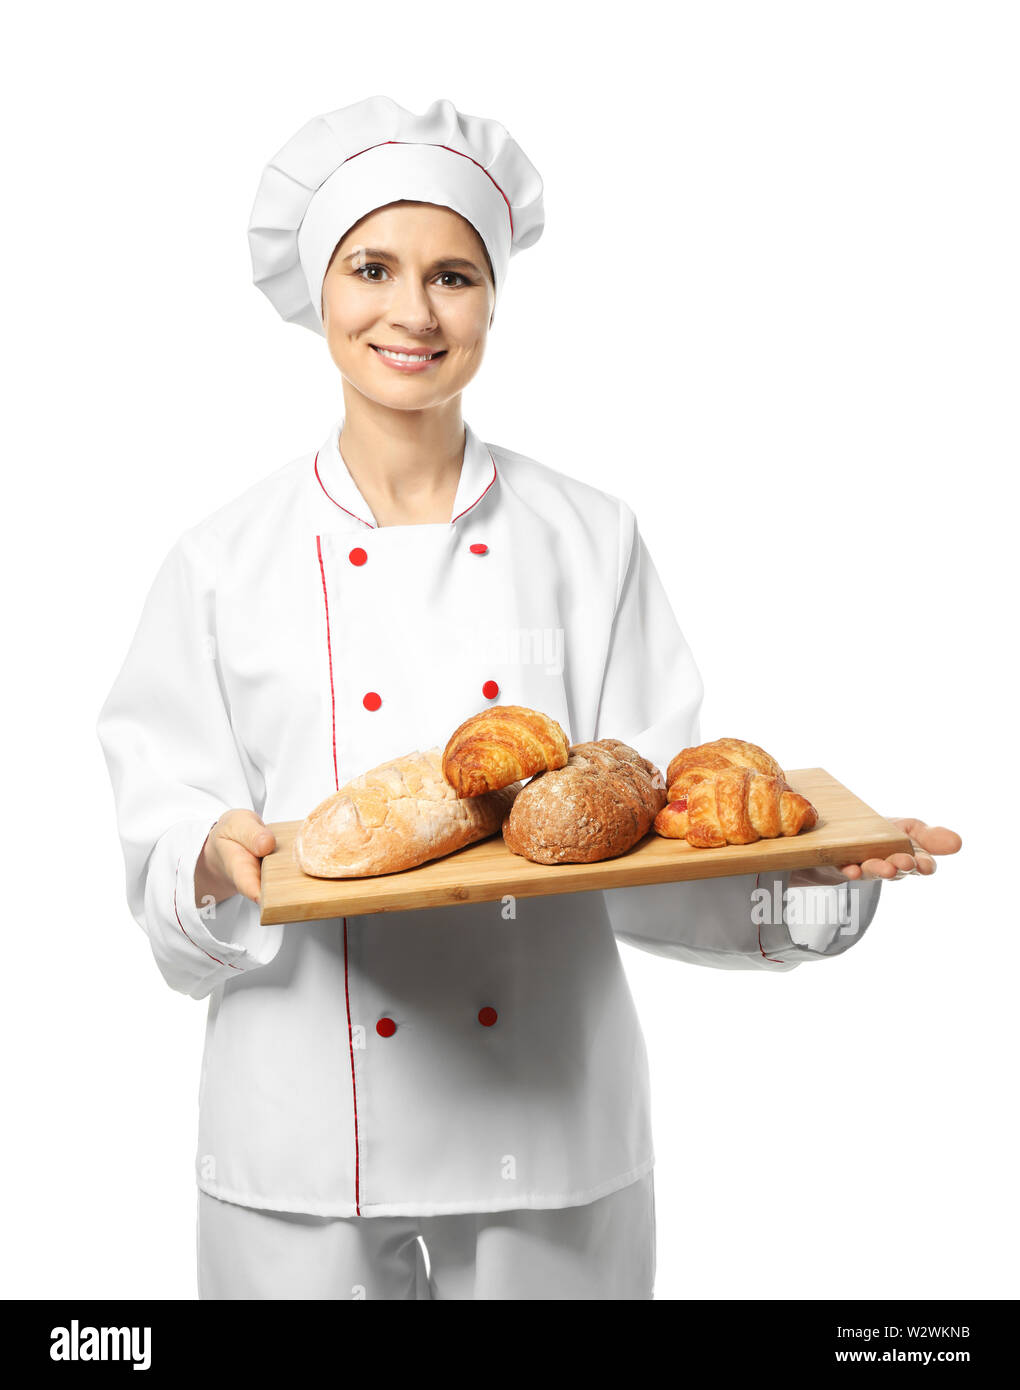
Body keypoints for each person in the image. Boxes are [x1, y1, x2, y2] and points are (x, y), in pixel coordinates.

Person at [96, 95, 962, 1301]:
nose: (412, 310)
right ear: (319, 290)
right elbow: (161, 819)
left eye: (452, 275)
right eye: (373, 268)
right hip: (297, 1133)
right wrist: (207, 851)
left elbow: (650, 830)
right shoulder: (220, 561)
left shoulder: (588, 538)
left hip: (549, 1128)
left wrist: (808, 880)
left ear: (493, 300)